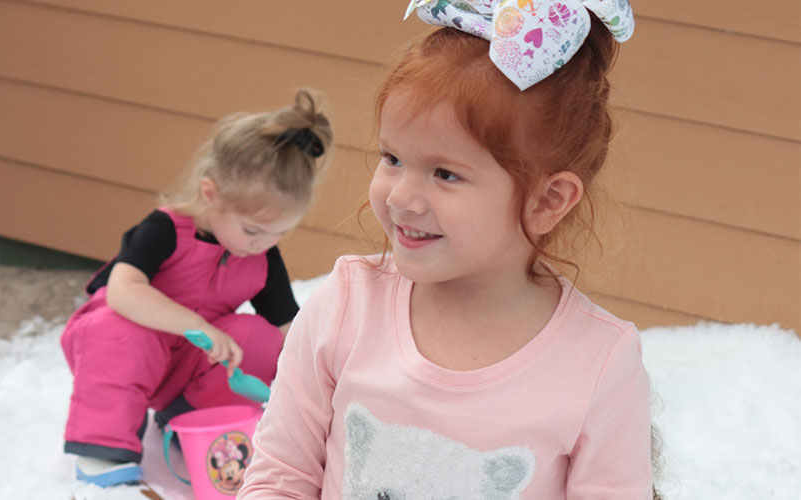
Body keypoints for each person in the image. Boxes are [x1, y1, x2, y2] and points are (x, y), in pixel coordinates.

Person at [240, 1, 660, 499]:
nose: (400, 197)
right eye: (392, 158)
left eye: (445, 174)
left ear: (547, 201)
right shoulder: (345, 307)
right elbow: (280, 478)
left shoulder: (598, 362)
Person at [60, 89, 333, 487]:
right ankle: (103, 458)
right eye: (253, 230)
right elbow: (122, 291)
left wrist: (318, 388)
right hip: (115, 352)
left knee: (259, 340)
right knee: (121, 329)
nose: (263, 244)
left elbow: (288, 331)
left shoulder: (261, 257)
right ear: (211, 194)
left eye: (280, 233)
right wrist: (199, 326)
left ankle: (189, 420)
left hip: (185, 366)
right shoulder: (166, 229)